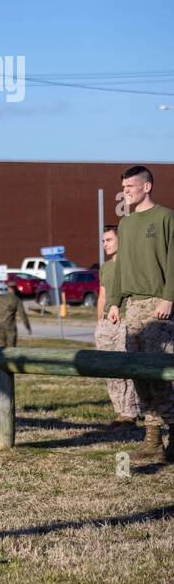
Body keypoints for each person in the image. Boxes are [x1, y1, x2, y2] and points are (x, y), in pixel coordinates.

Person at [102, 165, 174, 462]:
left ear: (147, 187)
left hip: (158, 306)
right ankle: (153, 439)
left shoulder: (165, 217)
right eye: (124, 187)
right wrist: (115, 301)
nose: (126, 191)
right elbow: (120, 268)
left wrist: (169, 297)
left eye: (131, 186)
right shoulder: (126, 224)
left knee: (162, 375)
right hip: (132, 306)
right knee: (139, 375)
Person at [96, 224, 141, 429]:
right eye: (103, 240)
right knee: (108, 369)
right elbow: (102, 296)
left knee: (125, 368)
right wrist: (99, 322)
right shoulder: (104, 267)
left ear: (120, 240)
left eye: (109, 240)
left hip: (124, 321)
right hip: (105, 324)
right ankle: (119, 412)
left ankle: (130, 413)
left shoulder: (130, 263)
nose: (105, 244)